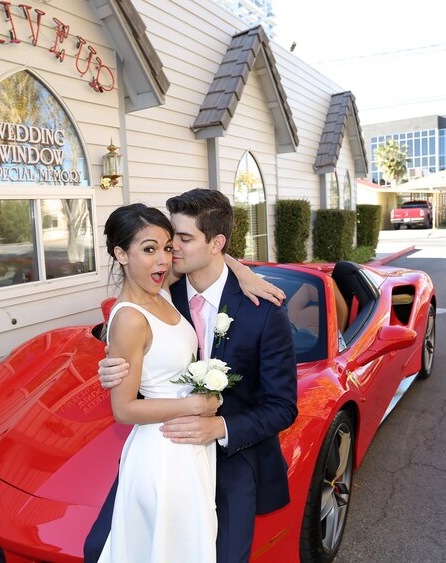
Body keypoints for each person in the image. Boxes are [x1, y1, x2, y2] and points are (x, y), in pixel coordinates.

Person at [87, 189, 298, 563]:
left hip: (233, 454)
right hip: (167, 448)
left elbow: (283, 407)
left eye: (181, 240)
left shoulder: (264, 311)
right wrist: (110, 362)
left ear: (217, 243)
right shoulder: (163, 288)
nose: (172, 252)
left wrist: (219, 428)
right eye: (169, 241)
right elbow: (128, 323)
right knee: (103, 548)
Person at [96, 203, 221, 563]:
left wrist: (245, 274)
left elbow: (208, 261)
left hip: (186, 444)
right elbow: (123, 409)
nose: (163, 260)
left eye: (167, 248)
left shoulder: (160, 291)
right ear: (121, 254)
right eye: (149, 249)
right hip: (162, 455)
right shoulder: (130, 319)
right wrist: (195, 405)